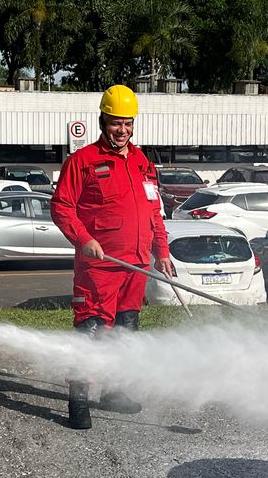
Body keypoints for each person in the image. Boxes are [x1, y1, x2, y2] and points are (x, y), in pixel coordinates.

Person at [50, 85, 175, 430]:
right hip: (100, 267)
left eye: (128, 123)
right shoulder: (83, 161)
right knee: (91, 331)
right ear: (103, 120)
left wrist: (160, 250)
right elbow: (61, 207)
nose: (122, 130)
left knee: (126, 330)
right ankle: (78, 402)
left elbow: (153, 210)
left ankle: (115, 391)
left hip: (135, 265)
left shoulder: (141, 162)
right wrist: (83, 238)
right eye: (116, 123)